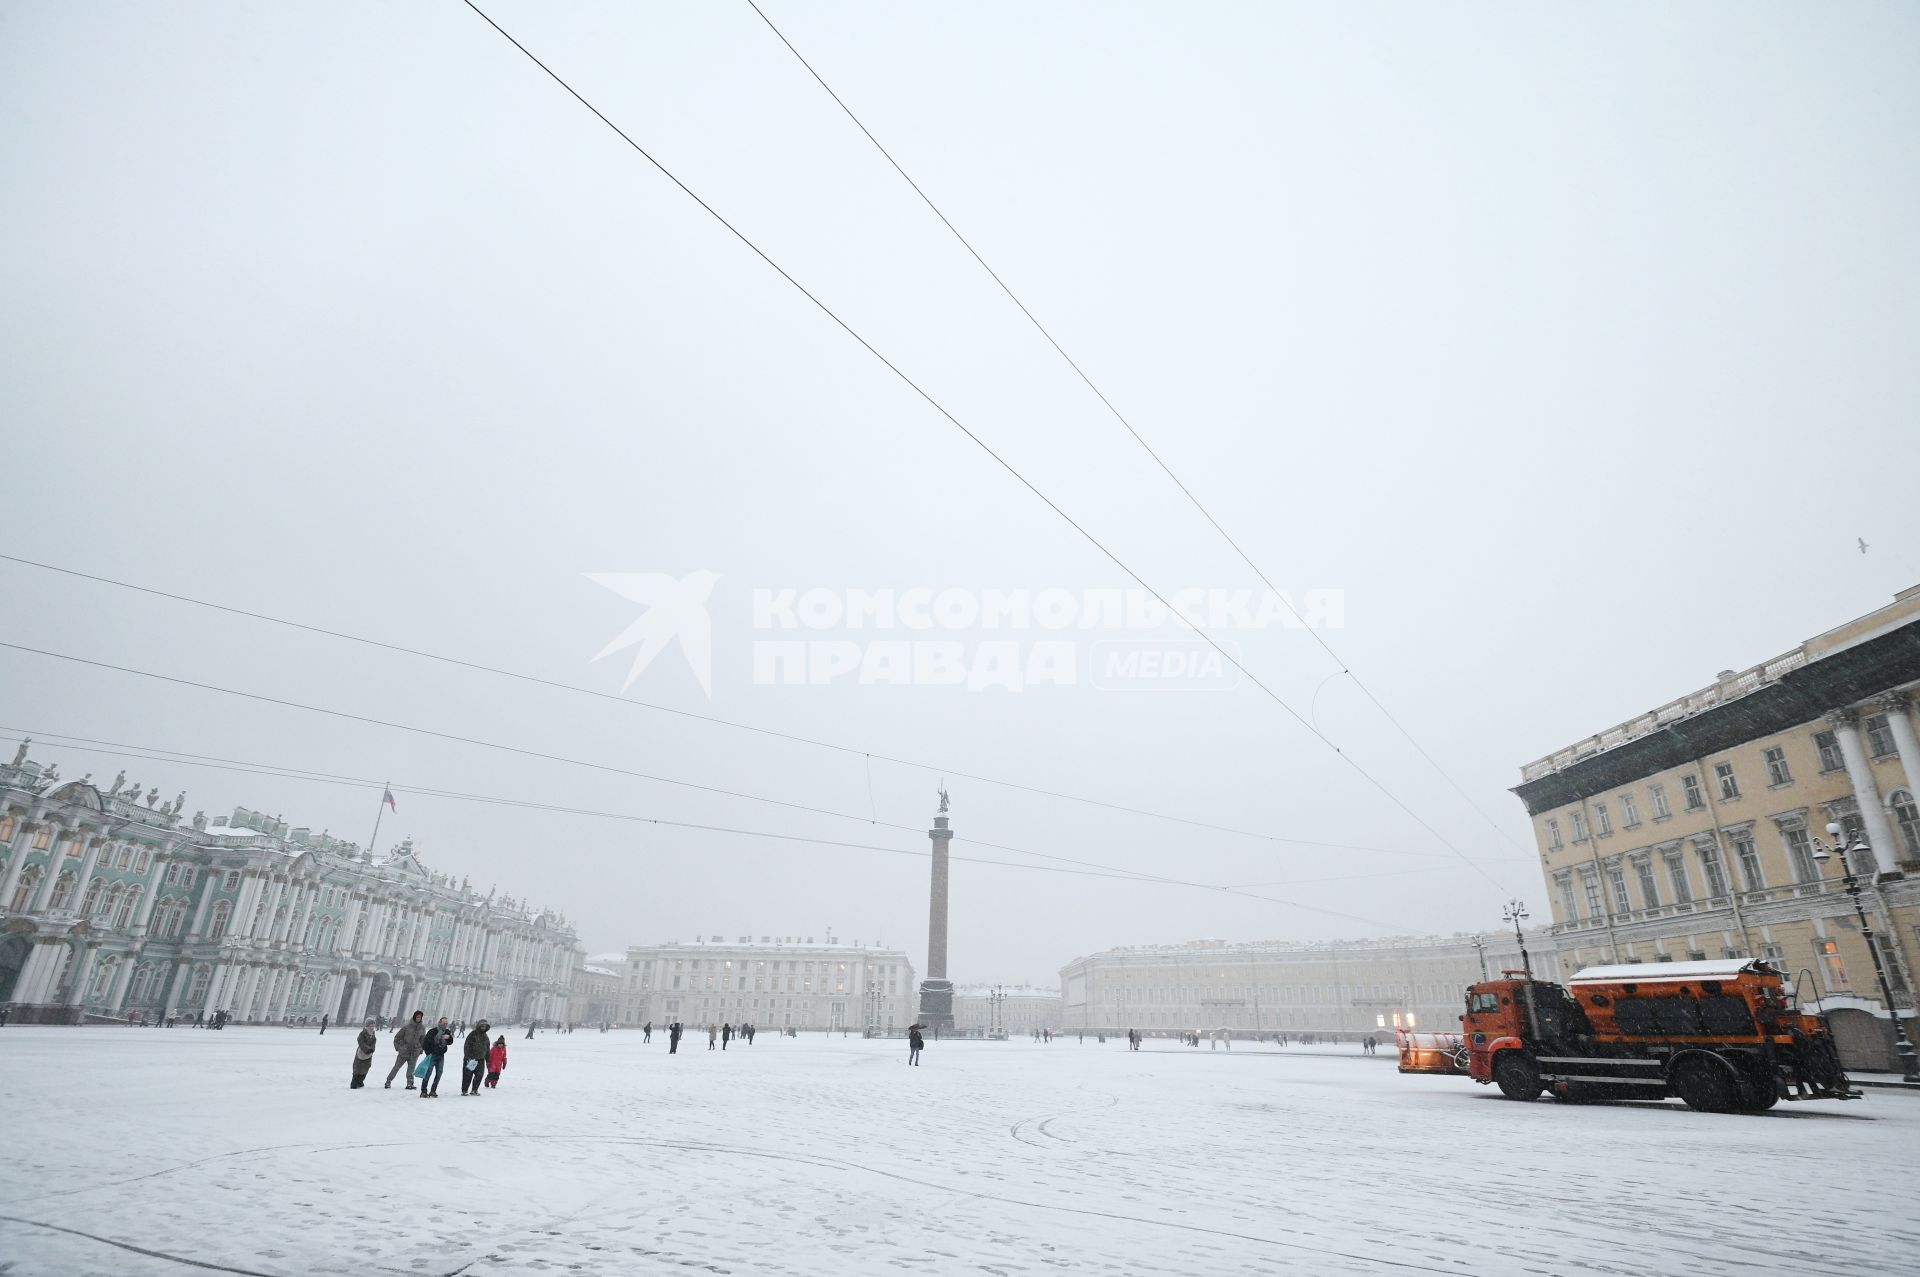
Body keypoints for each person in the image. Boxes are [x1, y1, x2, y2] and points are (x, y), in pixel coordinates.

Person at [387, 1010, 426, 1089]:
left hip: (414, 1053)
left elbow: (423, 1040)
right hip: (404, 1052)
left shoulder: (422, 1028)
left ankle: (410, 1083)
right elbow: (397, 1038)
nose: (419, 1018)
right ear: (414, 1017)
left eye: (420, 1017)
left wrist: (420, 1049)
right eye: (417, 1017)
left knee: (411, 1070)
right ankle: (388, 1081)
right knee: (396, 1067)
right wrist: (399, 1048)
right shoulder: (407, 1027)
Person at [420, 1017, 453, 1098]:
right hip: (432, 1055)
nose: (445, 1025)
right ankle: (423, 1091)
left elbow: (450, 1042)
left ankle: (433, 1091)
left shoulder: (447, 1031)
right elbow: (425, 1043)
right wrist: (428, 1053)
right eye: (443, 1023)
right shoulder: (432, 1031)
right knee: (428, 1074)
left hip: (441, 1055)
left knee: (439, 1073)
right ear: (439, 1022)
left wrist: (448, 1038)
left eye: (446, 1023)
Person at [460, 1020, 492, 1096]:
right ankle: (464, 1090)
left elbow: (487, 1049)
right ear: (479, 1026)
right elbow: (467, 1046)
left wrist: (488, 1060)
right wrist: (468, 1057)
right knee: (467, 1075)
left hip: (481, 1059)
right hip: (471, 1059)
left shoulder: (486, 1037)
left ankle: (474, 1090)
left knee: (479, 1075)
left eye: (485, 1026)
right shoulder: (472, 1034)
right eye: (482, 1026)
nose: (483, 1028)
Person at [351, 1020, 377, 1089]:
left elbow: (374, 1043)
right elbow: (361, 1042)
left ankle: (360, 1082)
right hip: (361, 1053)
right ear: (367, 1026)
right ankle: (354, 1083)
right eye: (371, 1026)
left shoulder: (373, 1034)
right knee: (357, 1068)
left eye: (373, 1026)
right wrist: (367, 1049)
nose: (372, 1027)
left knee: (366, 1068)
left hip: (369, 1054)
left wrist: (372, 1049)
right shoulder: (362, 1033)